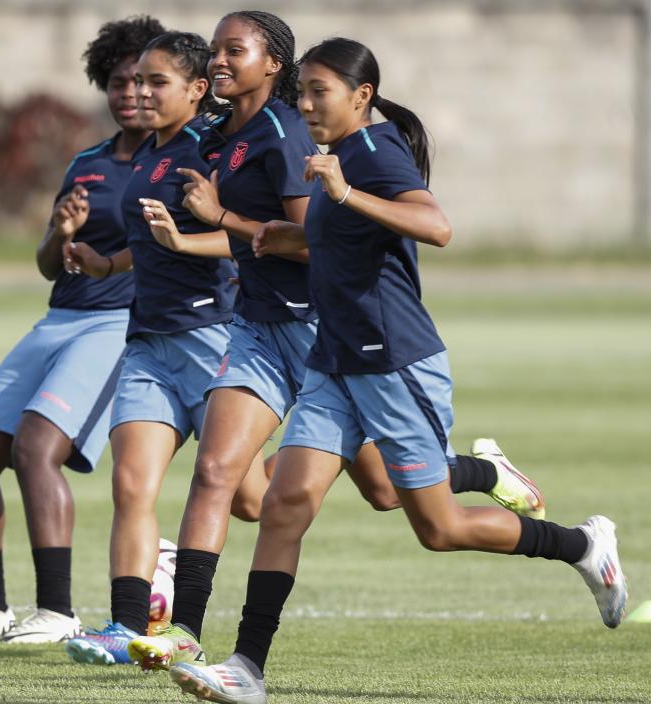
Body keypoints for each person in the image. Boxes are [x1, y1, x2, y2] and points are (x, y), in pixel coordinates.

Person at [168, 37, 627, 704]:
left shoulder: (376, 153)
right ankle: (247, 668)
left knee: (438, 529)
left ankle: (582, 545)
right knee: (285, 504)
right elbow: (327, 240)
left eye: (318, 92)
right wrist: (268, 233)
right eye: (302, 93)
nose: (306, 104)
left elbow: (435, 226)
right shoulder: (331, 159)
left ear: (361, 97)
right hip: (333, 362)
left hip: (395, 364)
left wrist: (346, 192)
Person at [127, 11, 544, 672]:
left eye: (234, 51)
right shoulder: (228, 133)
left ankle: (493, 481)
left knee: (396, 499)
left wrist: (227, 220)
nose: (218, 62)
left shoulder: (300, 137)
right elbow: (277, 232)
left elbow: (320, 242)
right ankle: (198, 638)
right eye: (215, 51)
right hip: (265, 328)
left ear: (274, 63)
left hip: (322, 328)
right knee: (230, 481)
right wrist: (192, 228)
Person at [0, 15, 167, 645]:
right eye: (120, 83)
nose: (132, 95)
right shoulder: (87, 161)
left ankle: (58, 612)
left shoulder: (178, 157)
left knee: (36, 447)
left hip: (117, 325)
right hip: (59, 317)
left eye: (145, 83)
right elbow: (47, 264)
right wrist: (59, 234)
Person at [60, 31, 247, 666]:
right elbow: (149, 248)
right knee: (132, 486)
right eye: (135, 81)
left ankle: (348, 457)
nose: (139, 92)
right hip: (146, 342)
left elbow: (255, 240)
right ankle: (124, 626)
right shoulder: (146, 157)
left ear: (197, 90)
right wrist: (104, 262)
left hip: (210, 336)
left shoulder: (213, 151)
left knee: (250, 497)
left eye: (155, 82)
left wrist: (198, 236)